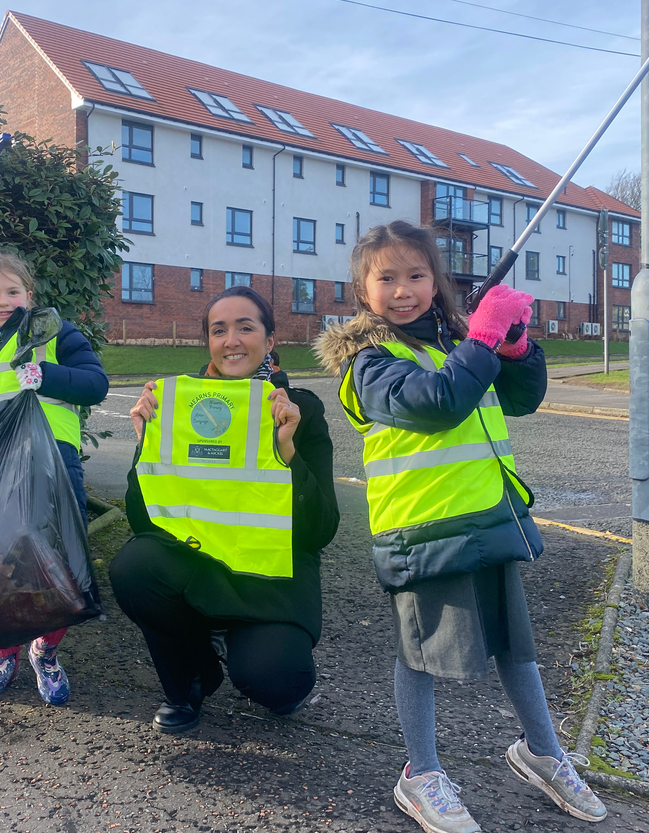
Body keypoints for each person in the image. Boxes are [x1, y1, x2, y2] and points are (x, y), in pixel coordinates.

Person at [314, 220, 606, 833]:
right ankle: (419, 773)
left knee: (513, 645)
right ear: (363, 293)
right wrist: (483, 338)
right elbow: (436, 404)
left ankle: (544, 753)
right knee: (419, 656)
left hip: (488, 519)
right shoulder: (368, 363)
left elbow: (522, 398)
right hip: (420, 534)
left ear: (437, 282)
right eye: (386, 278)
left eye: (417, 275)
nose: (403, 290)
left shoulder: (455, 345)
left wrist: (517, 346)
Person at [110, 285, 339, 733]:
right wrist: (146, 448)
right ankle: (192, 679)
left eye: (245, 327)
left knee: (275, 681)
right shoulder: (174, 409)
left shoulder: (302, 411)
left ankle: (258, 656)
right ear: (209, 342)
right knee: (134, 565)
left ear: (270, 341)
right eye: (219, 330)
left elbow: (320, 529)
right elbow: (144, 522)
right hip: (200, 567)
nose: (231, 340)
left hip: (272, 581)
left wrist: (288, 451)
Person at [0, 251, 109, 705]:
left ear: (29, 295)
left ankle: (46, 651)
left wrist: (48, 376)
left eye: (12, 291)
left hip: (52, 463)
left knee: (53, 562)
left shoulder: (56, 335)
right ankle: (3, 654)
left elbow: (96, 384)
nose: (2, 301)